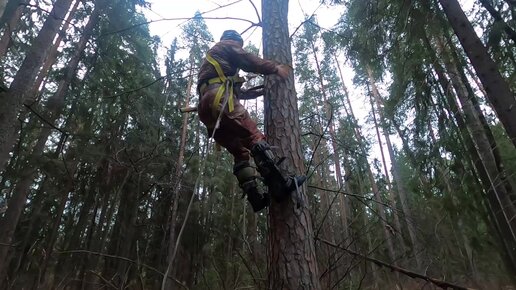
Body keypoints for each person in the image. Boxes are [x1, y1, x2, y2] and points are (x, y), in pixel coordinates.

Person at [197, 30, 304, 212]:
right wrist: (275, 68)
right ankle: (279, 185)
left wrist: (261, 90)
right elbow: (248, 61)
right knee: (254, 136)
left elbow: (239, 92)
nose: (240, 48)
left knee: (240, 153)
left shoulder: (213, 64)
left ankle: (255, 198)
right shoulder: (228, 46)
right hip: (220, 100)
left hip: (206, 109)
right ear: (235, 41)